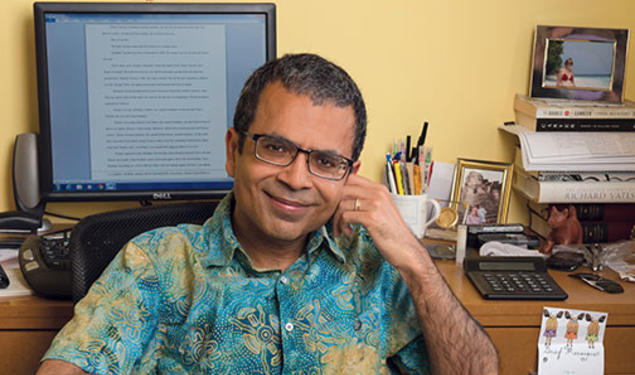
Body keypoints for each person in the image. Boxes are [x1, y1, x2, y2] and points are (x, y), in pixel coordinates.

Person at [37, 53, 498, 374]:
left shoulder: (375, 266)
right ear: (234, 150)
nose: (297, 179)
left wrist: (418, 264)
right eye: (275, 147)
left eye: (325, 161)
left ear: (349, 174)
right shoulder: (158, 263)